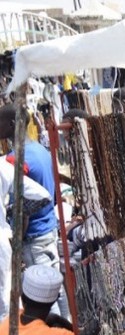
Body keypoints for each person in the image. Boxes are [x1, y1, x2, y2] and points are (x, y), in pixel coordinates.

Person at [0, 105, 70, 320]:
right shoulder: (40, 150)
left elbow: (29, 202)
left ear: (12, 124)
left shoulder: (15, 159)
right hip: (49, 229)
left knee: (43, 299)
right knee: (56, 289)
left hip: (34, 236)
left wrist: (17, 232)